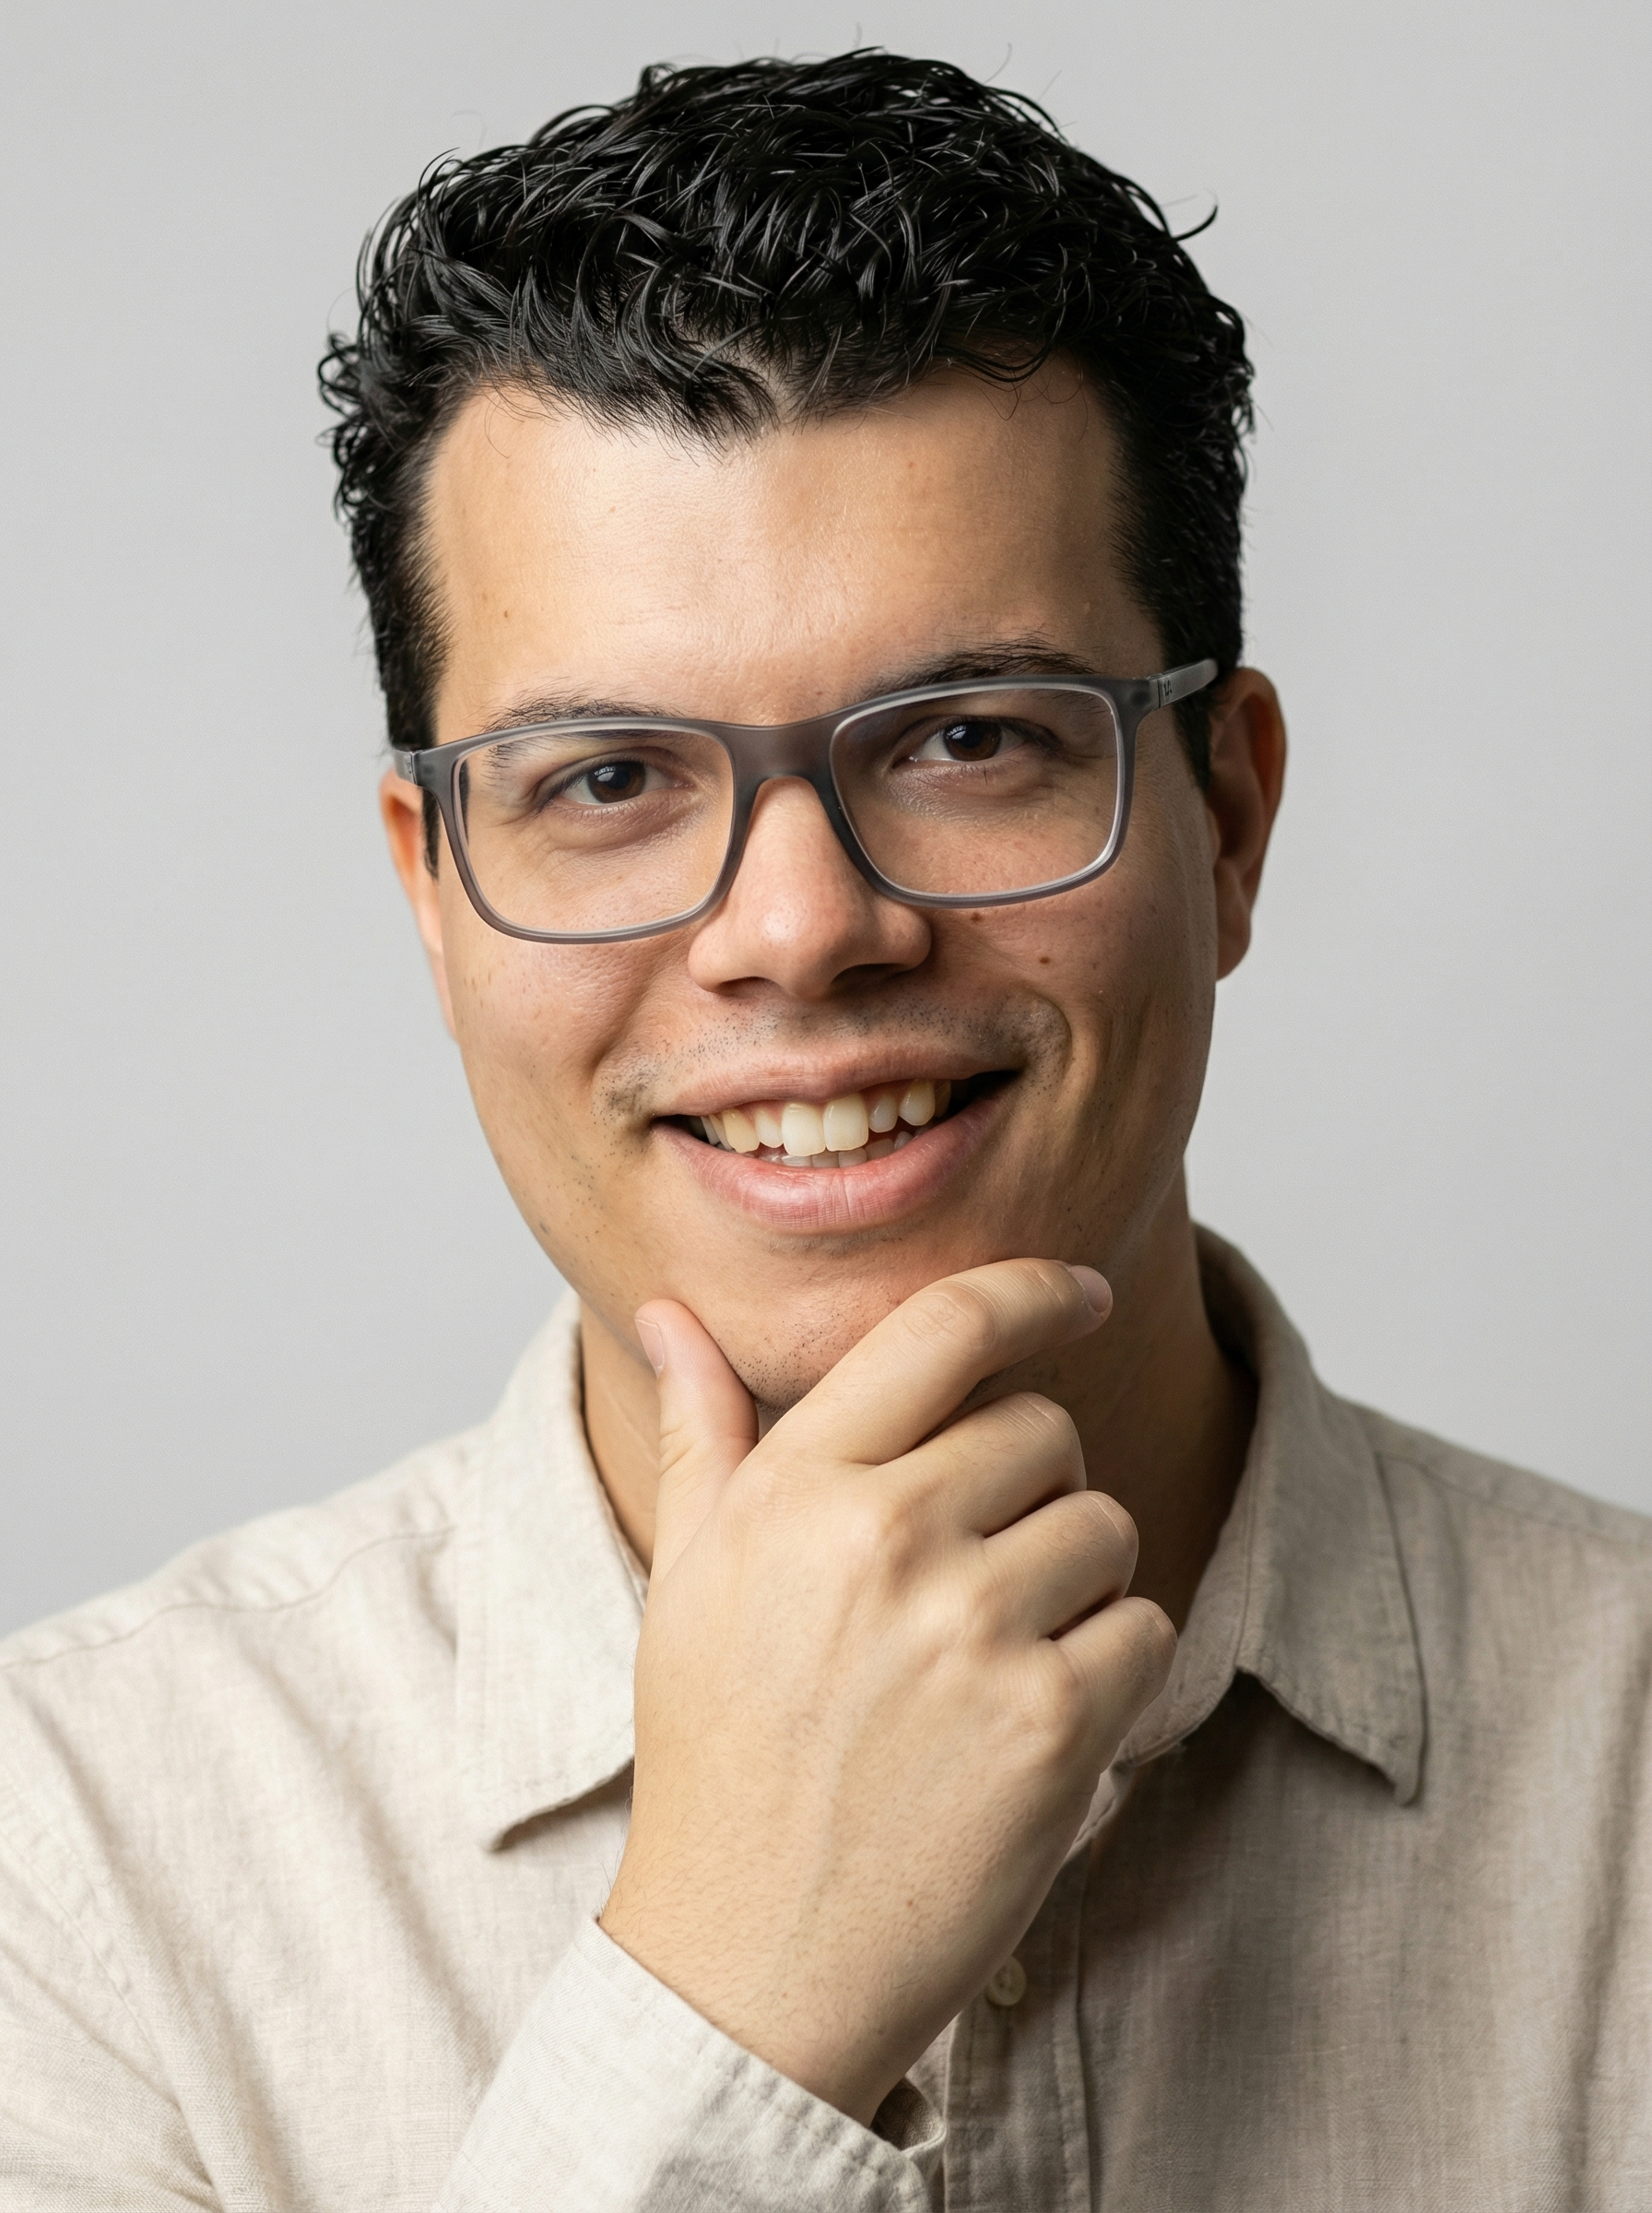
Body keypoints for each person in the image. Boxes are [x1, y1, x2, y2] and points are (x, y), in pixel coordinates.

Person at [1, 48, 1647, 2212]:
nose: (798, 931)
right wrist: (730, 2000)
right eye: (606, 780)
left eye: (967, 740)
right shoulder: (67, 1871)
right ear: (434, 893)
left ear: (1227, 820)